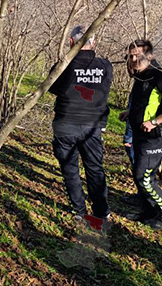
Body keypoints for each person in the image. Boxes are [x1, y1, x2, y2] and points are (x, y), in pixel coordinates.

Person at [47, 25, 113, 226]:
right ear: (93, 43)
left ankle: (79, 211)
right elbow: (104, 89)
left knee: (70, 170)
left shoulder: (63, 65)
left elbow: (53, 87)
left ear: (71, 42)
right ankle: (102, 213)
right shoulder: (105, 66)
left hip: (66, 123)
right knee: (94, 169)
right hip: (91, 126)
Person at [122, 39, 162, 230]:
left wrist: (155, 121)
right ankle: (149, 211)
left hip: (156, 137)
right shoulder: (141, 75)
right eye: (131, 55)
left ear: (149, 56)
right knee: (140, 176)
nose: (133, 59)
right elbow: (147, 102)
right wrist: (131, 113)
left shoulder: (160, 77)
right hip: (140, 135)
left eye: (138, 56)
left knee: (144, 178)